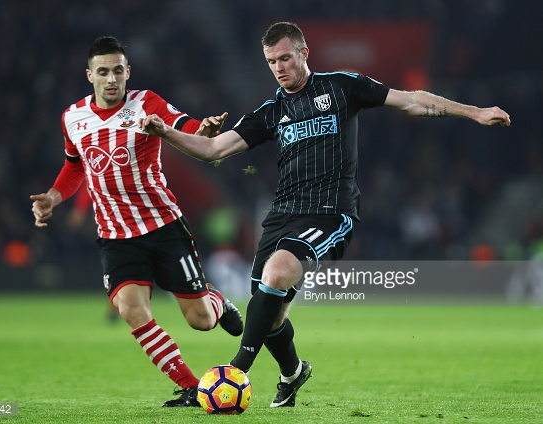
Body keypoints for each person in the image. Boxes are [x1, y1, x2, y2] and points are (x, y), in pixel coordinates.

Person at [139, 21, 511, 408]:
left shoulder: (341, 86)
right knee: (269, 314)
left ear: (304, 53)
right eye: (271, 61)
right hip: (282, 215)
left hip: (331, 213)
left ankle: (237, 371)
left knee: (277, 274)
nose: (279, 67)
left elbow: (411, 100)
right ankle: (293, 372)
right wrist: (165, 132)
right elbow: (213, 149)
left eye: (285, 57)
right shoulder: (270, 112)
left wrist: (474, 112)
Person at [30, 36, 243, 407]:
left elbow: (187, 126)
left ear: (128, 72)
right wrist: (52, 196)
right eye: (103, 72)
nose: (111, 79)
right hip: (115, 235)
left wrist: (205, 130)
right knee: (130, 308)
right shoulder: (72, 118)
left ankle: (218, 302)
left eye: (117, 71)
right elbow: (74, 165)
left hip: (163, 226)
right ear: (90, 76)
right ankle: (192, 386)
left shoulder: (147, 103)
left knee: (201, 321)